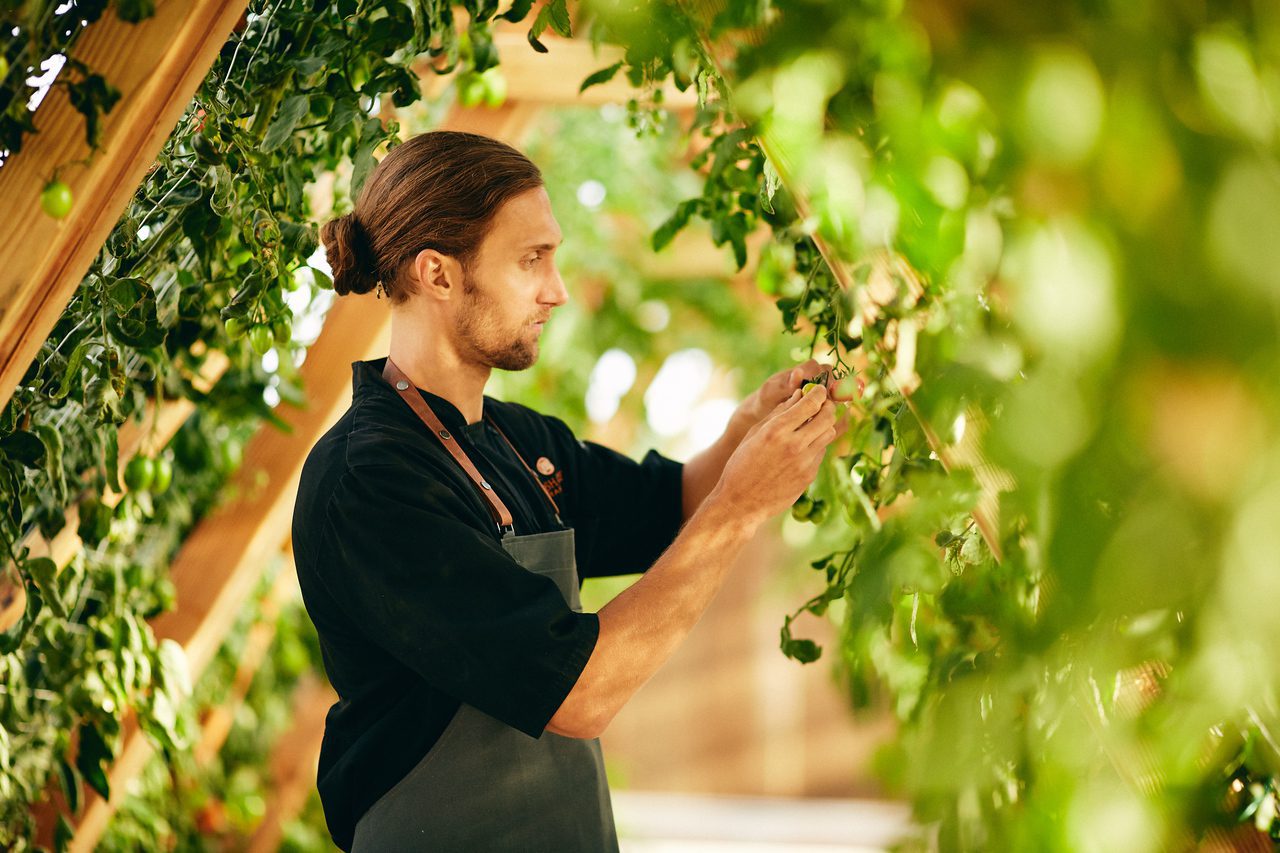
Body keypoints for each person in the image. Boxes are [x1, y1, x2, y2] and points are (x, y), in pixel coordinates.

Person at [290, 130, 848, 852]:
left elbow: (668, 504)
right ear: (438, 273)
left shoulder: (518, 440)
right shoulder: (368, 480)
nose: (556, 289)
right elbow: (579, 692)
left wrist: (748, 428)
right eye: (531, 260)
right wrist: (740, 506)